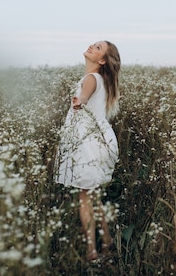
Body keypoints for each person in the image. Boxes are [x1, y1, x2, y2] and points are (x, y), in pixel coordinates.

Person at [55, 40, 121, 262]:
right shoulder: (100, 79)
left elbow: (85, 95)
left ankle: (92, 252)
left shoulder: (91, 79)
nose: (92, 46)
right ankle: (108, 241)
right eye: (93, 44)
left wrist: (79, 100)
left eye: (98, 48)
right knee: (93, 195)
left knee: (85, 196)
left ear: (101, 60)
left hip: (88, 144)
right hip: (99, 141)